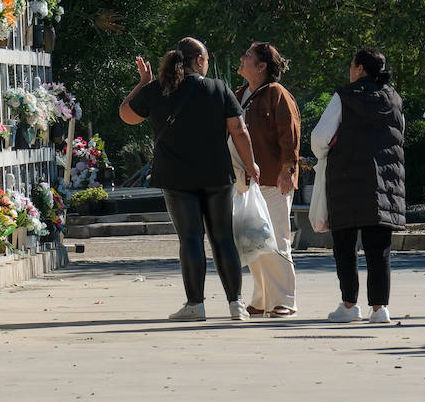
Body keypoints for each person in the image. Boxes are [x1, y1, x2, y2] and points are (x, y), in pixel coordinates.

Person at [120, 37, 259, 321]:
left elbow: (126, 116)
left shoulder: (157, 90)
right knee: (223, 239)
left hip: (175, 176)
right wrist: (250, 164)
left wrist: (143, 83)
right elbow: (239, 131)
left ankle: (195, 305)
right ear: (199, 60)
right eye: (206, 59)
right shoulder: (218, 88)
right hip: (217, 175)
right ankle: (236, 305)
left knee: (191, 239)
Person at [309, 48, 407, 324]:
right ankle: (380, 308)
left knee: (345, 246)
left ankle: (349, 304)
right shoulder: (394, 99)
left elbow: (320, 137)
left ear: (361, 69)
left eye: (352, 65)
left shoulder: (345, 97)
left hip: (346, 180)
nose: (350, 70)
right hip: (386, 183)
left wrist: (327, 154)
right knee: (379, 249)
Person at [235, 42, 301, 317]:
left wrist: (288, 170)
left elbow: (290, 133)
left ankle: (285, 300)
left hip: (274, 179)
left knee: (276, 239)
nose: (242, 58)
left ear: (261, 66)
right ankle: (262, 300)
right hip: (247, 182)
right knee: (253, 241)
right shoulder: (240, 94)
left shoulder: (277, 93)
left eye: (248, 55)